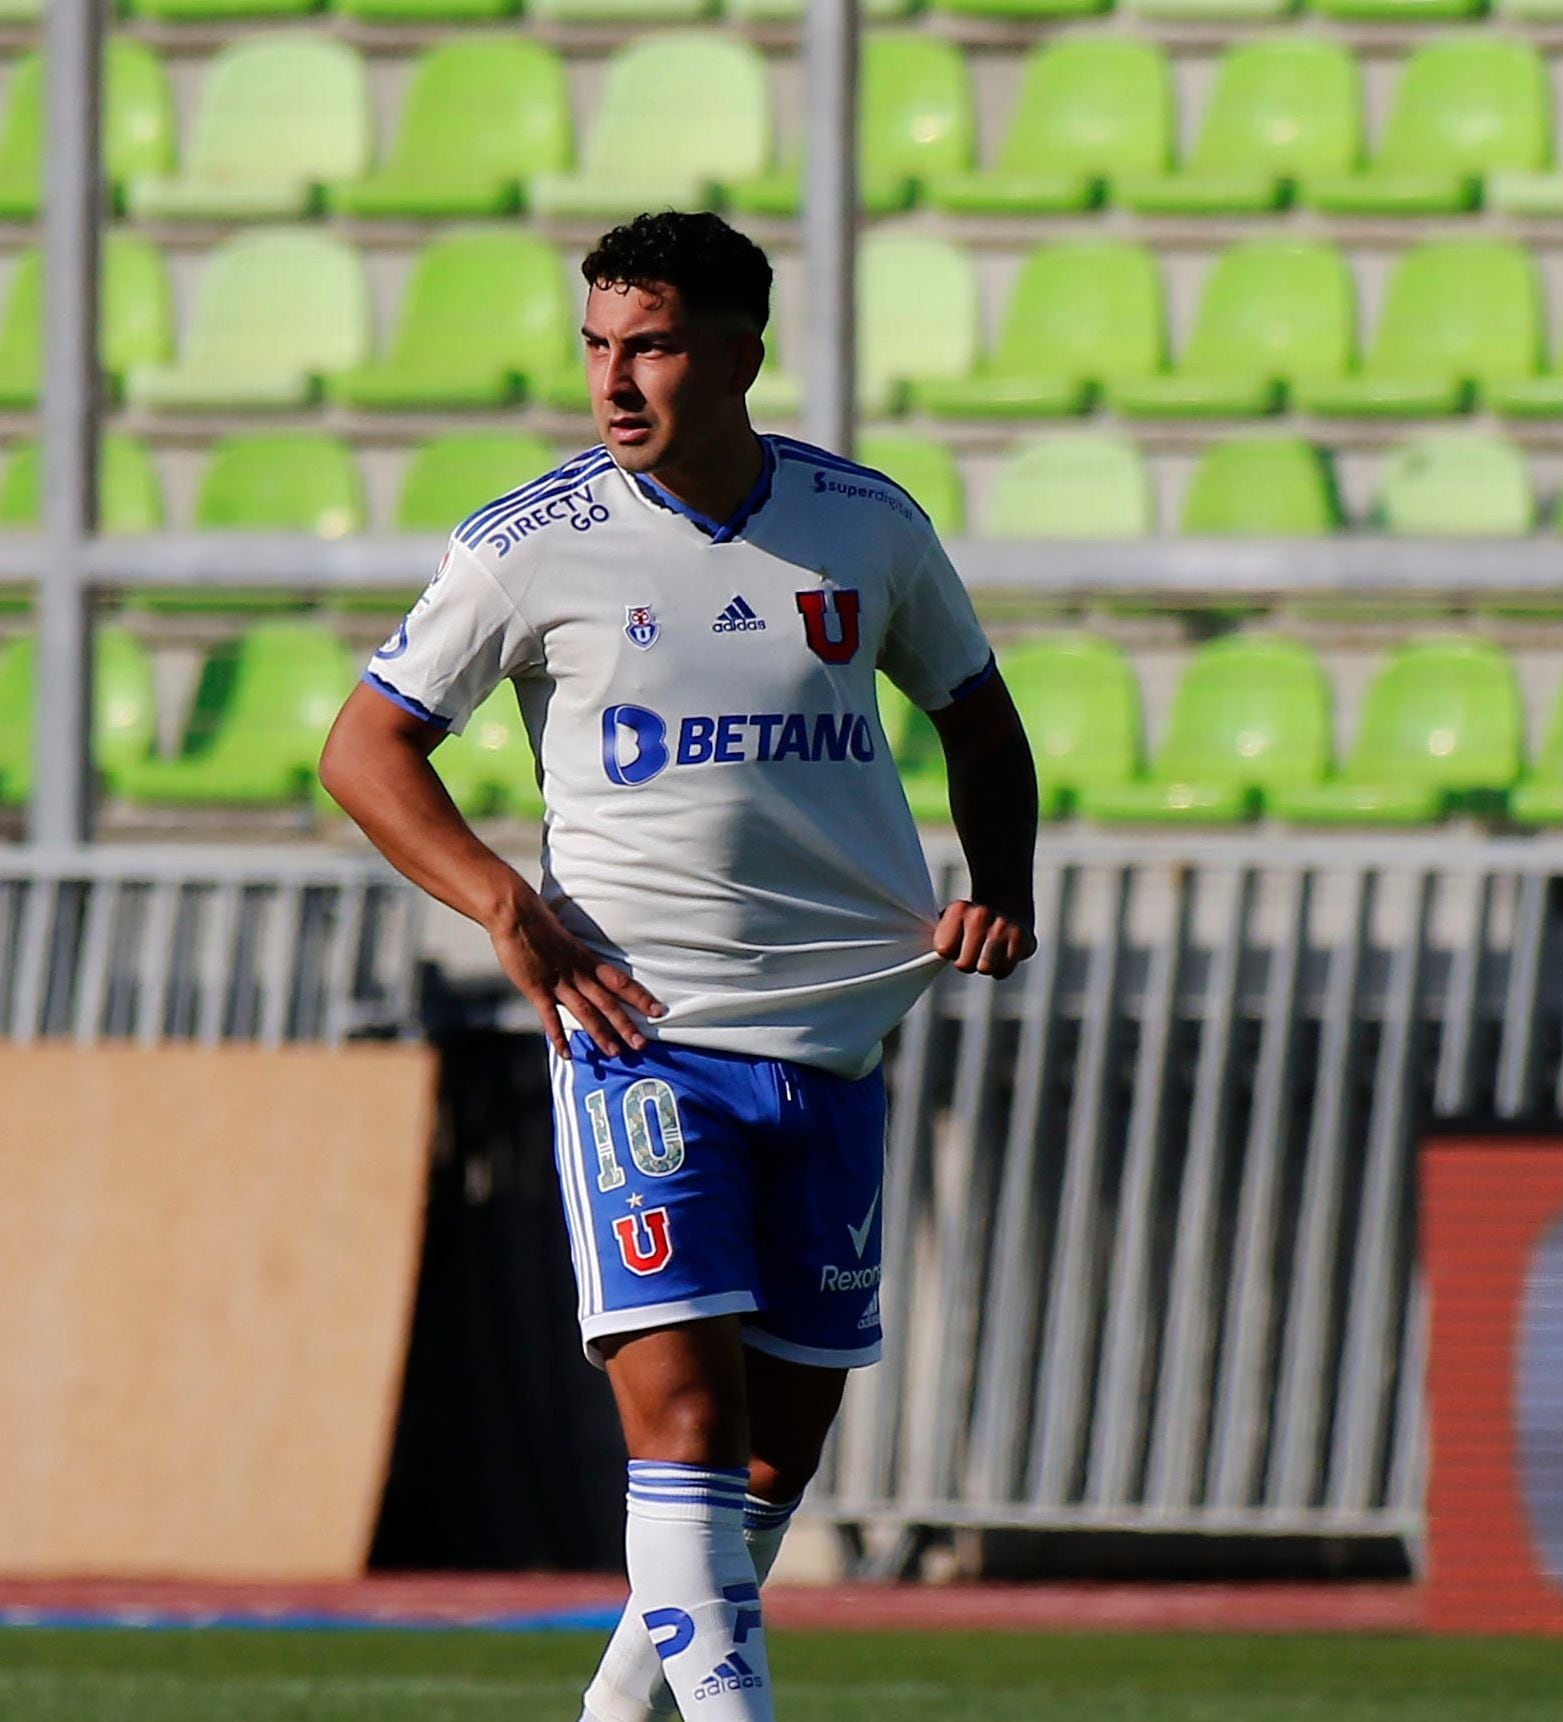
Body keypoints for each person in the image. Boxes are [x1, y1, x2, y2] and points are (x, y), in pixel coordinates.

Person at [320, 211, 1039, 1722]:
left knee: (771, 1459)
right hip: (642, 1038)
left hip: (834, 1045)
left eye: (646, 345)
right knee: (690, 1424)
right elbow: (365, 747)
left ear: (736, 357)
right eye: (595, 346)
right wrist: (503, 905)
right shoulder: (529, 546)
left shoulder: (864, 526)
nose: (613, 381)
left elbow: (977, 714)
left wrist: (1003, 886)